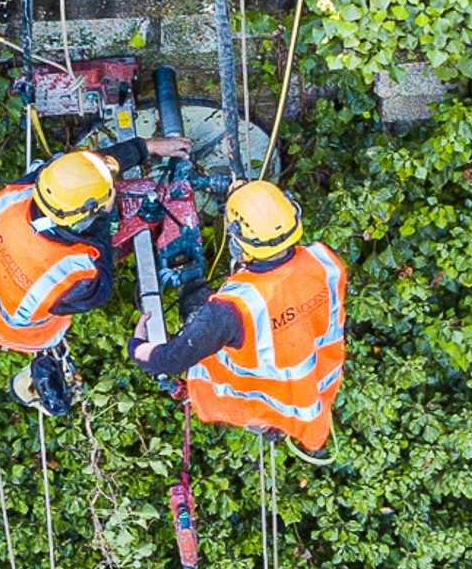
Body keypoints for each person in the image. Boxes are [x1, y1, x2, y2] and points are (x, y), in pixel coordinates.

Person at [0, 137, 191, 416]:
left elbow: (83, 171)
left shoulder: (22, 194)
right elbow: (102, 286)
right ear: (86, 214)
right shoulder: (74, 271)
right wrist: (101, 225)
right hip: (16, 329)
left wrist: (145, 148)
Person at [127, 181, 346, 466]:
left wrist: (138, 347)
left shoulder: (233, 309)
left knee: (194, 301)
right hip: (308, 398)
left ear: (236, 239)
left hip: (249, 402)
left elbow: (168, 360)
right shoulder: (326, 261)